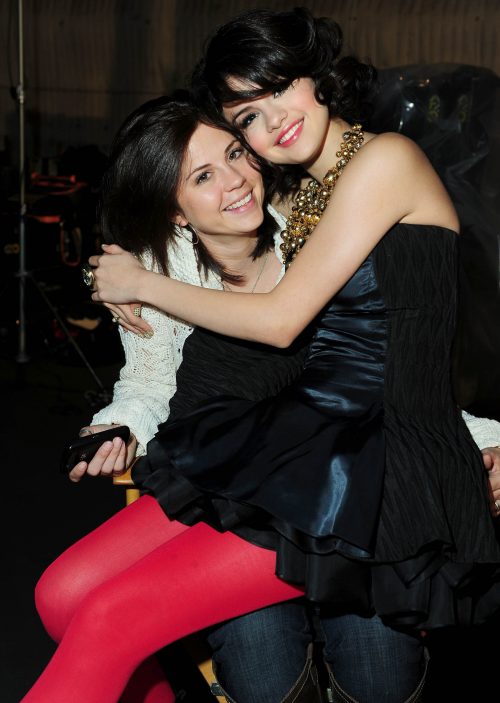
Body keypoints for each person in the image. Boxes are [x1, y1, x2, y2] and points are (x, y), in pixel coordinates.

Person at [22, 9, 500, 703]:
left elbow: (294, 326)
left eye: (279, 88)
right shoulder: (301, 199)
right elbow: (197, 236)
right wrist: (120, 272)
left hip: (374, 468)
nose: (273, 121)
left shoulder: (385, 160)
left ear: (317, 75)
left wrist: (138, 283)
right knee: (64, 596)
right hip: (307, 442)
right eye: (247, 116)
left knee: (108, 620)